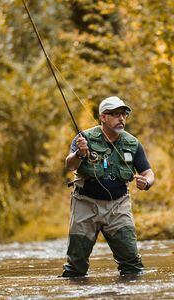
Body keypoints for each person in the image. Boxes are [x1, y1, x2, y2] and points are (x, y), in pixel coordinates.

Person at [61, 96, 155, 277]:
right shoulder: (84, 138)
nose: (121, 118)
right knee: (76, 265)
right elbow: (70, 165)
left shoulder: (132, 143)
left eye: (124, 114)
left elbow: (148, 173)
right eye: (115, 114)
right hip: (84, 204)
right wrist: (80, 153)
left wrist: (147, 182)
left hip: (118, 206)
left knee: (132, 263)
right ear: (103, 117)